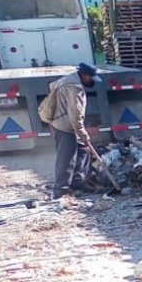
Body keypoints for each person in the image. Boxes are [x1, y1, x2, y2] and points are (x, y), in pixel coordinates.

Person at [45, 62, 100, 197]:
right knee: (67, 157)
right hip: (63, 125)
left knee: (83, 149)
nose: (92, 81)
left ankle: (77, 182)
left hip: (62, 121)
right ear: (85, 75)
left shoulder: (67, 80)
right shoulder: (75, 89)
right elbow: (76, 117)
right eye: (91, 78)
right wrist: (84, 135)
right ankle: (61, 190)